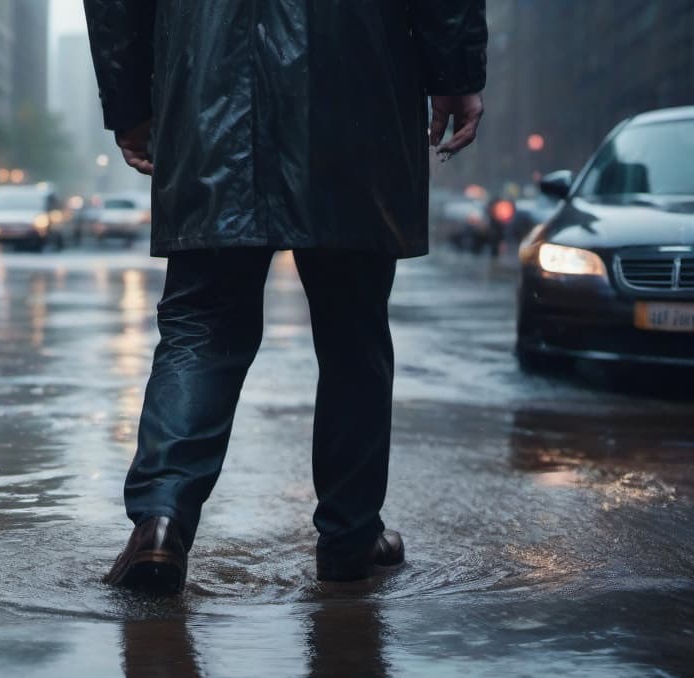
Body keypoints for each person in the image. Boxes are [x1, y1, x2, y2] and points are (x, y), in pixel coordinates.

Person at [86, 1, 487, 591]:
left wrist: (130, 102)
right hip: (355, 81)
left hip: (208, 88)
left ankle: (162, 522)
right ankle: (351, 538)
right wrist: (455, 74)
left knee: (203, 324)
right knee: (354, 331)